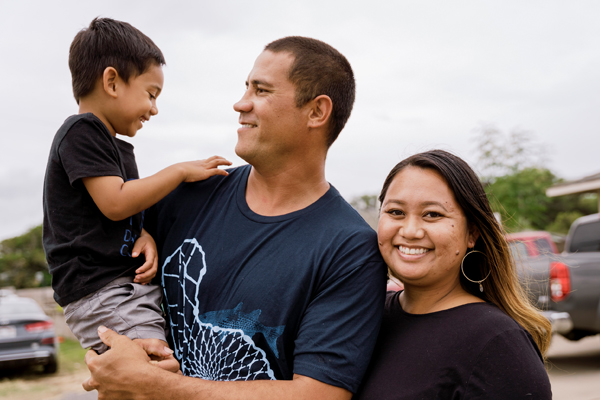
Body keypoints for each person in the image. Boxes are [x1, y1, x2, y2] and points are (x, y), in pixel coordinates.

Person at [82, 36, 388, 399]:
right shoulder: (187, 193)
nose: (240, 103)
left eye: (261, 90)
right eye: (246, 87)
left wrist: (156, 385)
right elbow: (95, 277)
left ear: (317, 112)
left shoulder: (350, 249)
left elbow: (320, 394)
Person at [43, 17, 230, 355]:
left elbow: (121, 210)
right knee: (151, 369)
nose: (154, 109)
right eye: (151, 94)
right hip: (100, 290)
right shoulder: (82, 132)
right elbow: (115, 203)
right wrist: (179, 172)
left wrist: (141, 233)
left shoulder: (114, 146)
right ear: (112, 82)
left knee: (150, 371)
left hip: (121, 289)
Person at [354, 150, 552, 399]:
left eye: (433, 214)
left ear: (472, 233)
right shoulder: (364, 317)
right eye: (395, 212)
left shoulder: (498, 344)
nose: (411, 230)